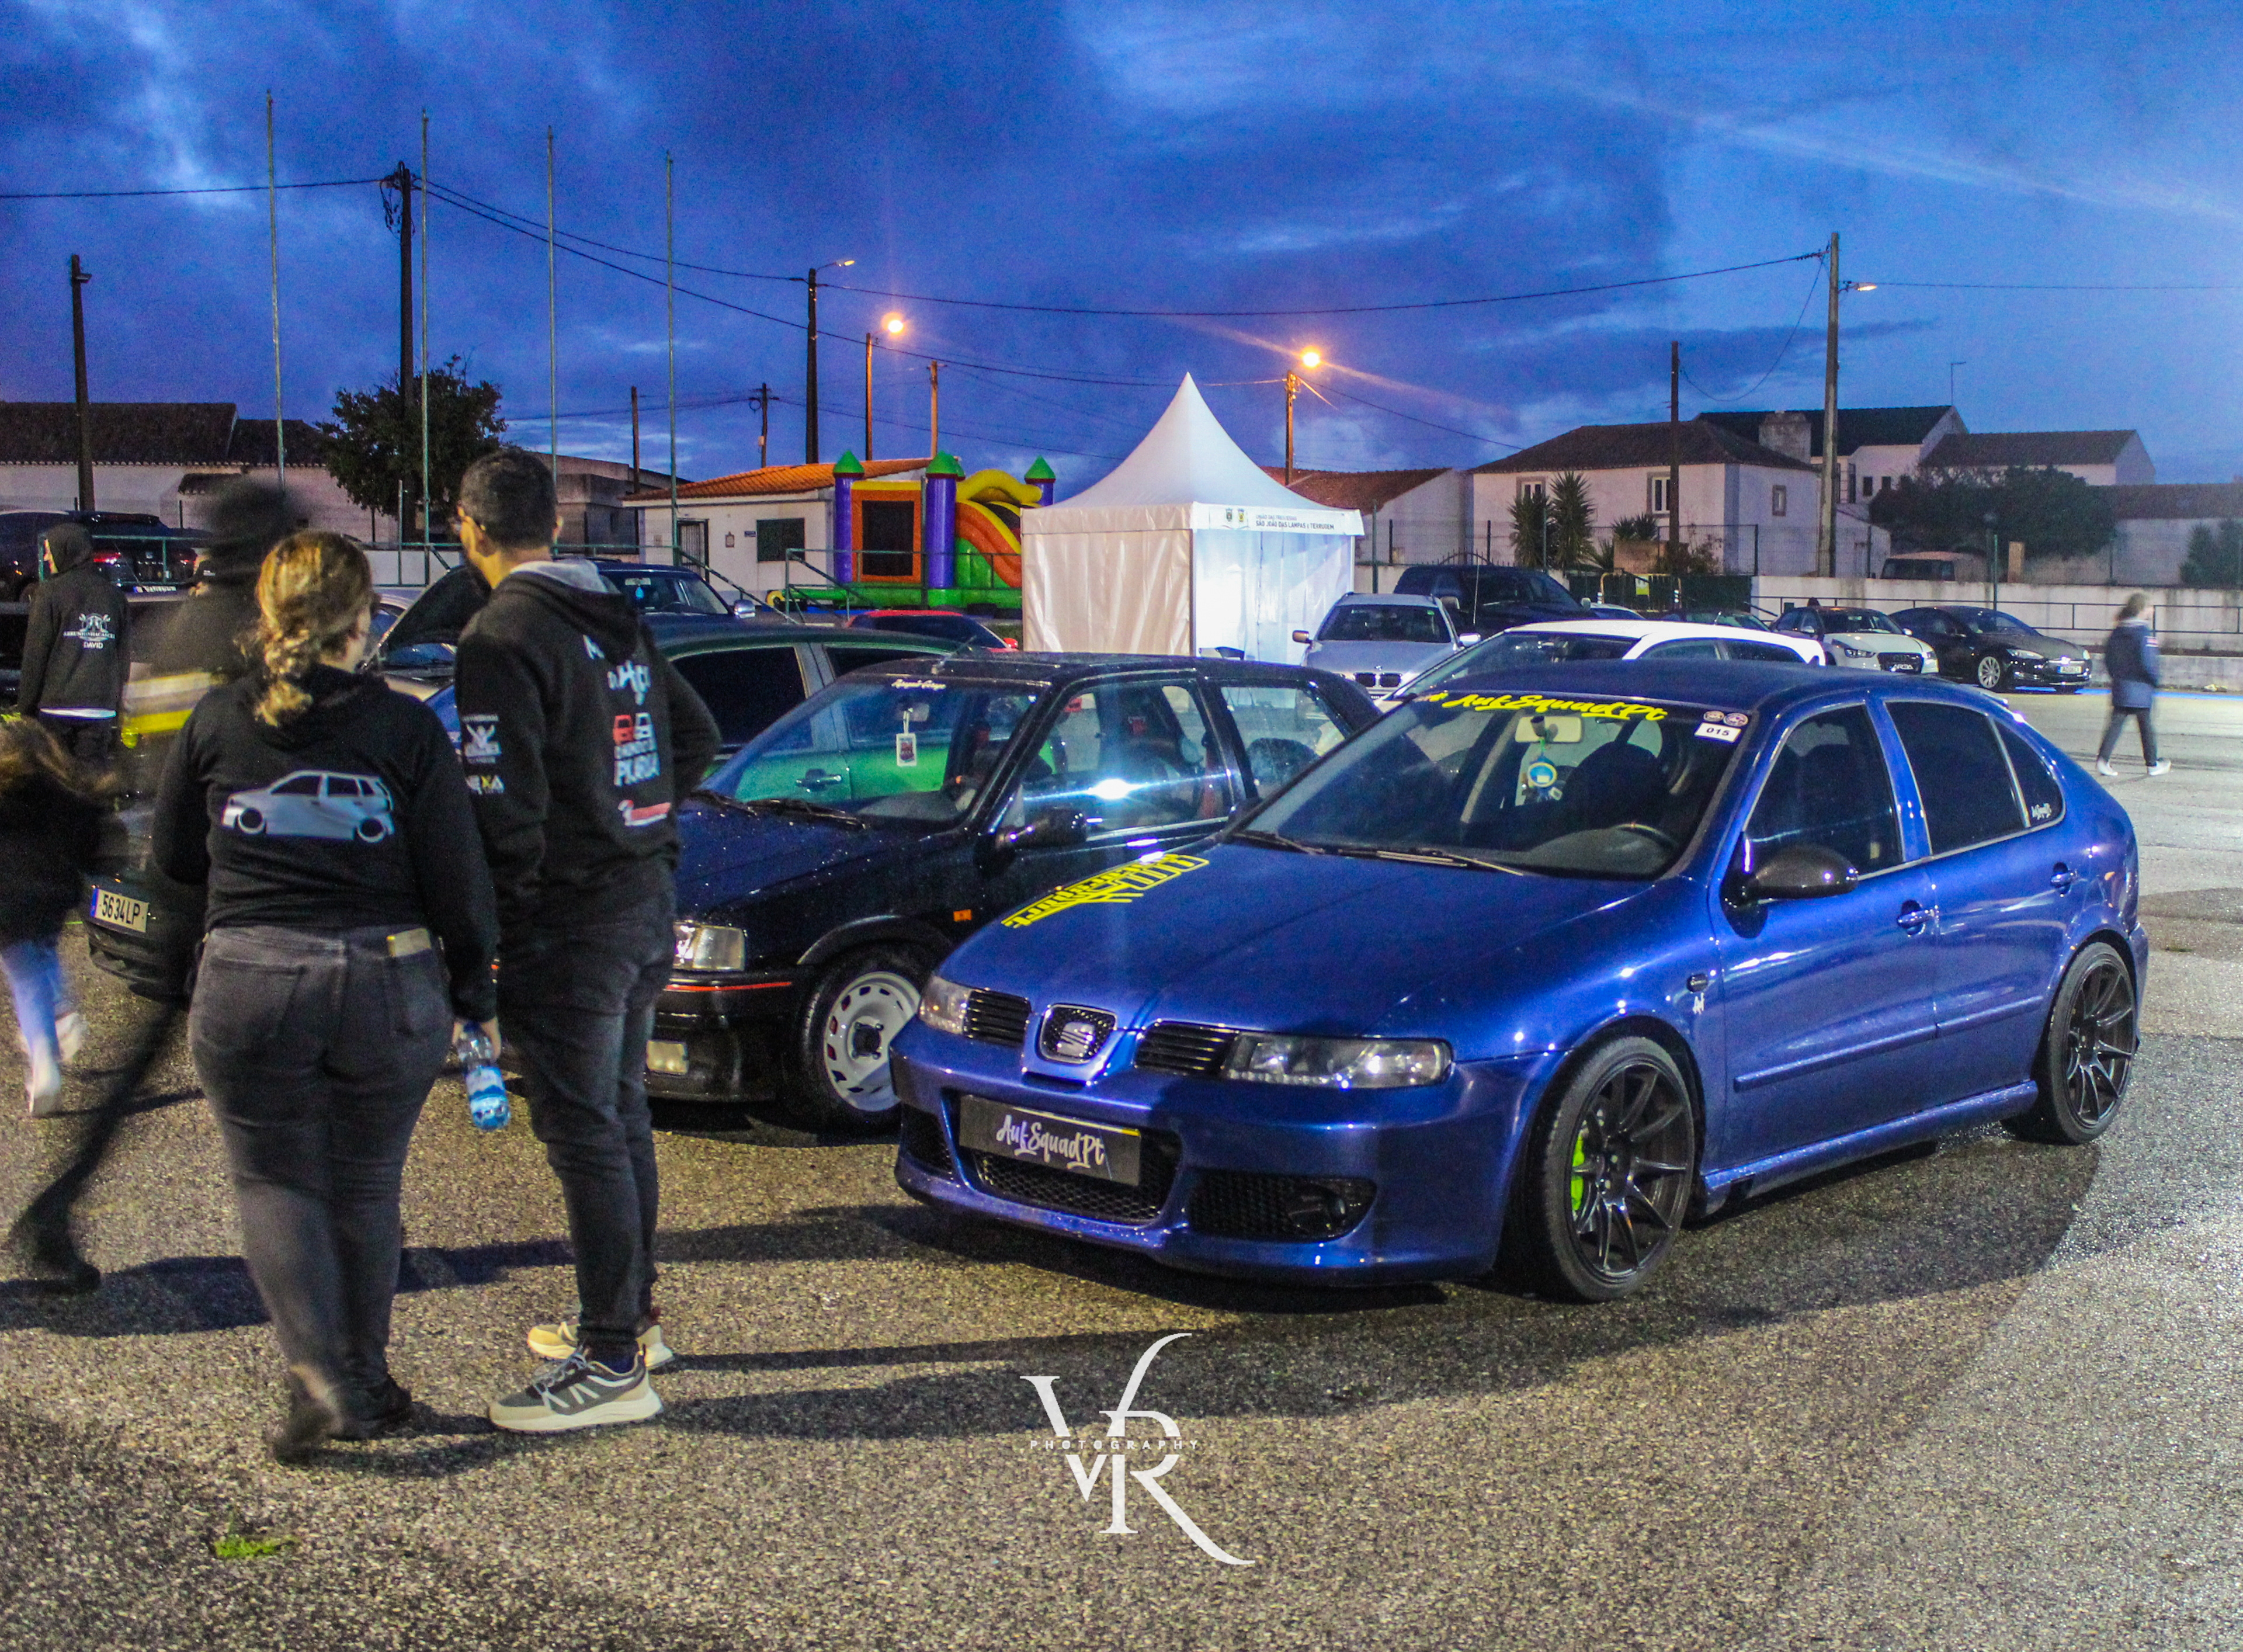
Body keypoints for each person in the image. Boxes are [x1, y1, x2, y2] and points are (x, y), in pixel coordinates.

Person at [151, 532, 498, 1463]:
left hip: (251, 975)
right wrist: (473, 988)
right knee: (366, 1183)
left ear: (269, 614)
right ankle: (365, 1384)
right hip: (386, 978)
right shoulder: (405, 729)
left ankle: (315, 1371)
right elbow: (458, 883)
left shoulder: (218, 720)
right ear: (363, 619)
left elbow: (173, 859)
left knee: (275, 1181)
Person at [451, 447, 717, 1434]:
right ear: (555, 525)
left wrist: (491, 929)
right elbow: (695, 737)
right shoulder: (615, 615)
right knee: (619, 1112)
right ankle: (631, 1321)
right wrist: (639, 824)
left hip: (570, 922)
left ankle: (612, 1359)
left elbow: (505, 811)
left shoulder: (502, 634)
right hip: (643, 899)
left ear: (469, 527)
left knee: (585, 1132)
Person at [6, 480, 299, 1296]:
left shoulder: (179, 632)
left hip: (184, 880)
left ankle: (57, 1211)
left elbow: (156, 768)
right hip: (258, 892)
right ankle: (319, 1239)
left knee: (142, 1064)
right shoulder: (272, 641)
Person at [0, 720, 107, 1116]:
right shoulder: (65, 792)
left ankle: (45, 1062)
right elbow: (92, 841)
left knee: (25, 976)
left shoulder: (5, 792)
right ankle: (60, 1012)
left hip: (8, 901)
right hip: (53, 899)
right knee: (43, 954)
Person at [15, 523, 129, 766]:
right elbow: (122, 658)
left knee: (58, 778)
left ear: (64, 550)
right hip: (100, 709)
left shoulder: (49, 594)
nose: (46, 558)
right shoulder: (115, 597)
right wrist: (117, 704)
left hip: (56, 709)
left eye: (49, 551)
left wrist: (25, 709)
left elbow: (36, 656)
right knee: (92, 778)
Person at [2097, 593, 2168, 777]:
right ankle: (2152, 764)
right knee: (2146, 728)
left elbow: (2109, 659)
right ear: (2142, 609)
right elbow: (2148, 662)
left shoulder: (2117, 632)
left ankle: (2103, 760)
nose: (2152, 611)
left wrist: (2117, 677)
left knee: (2115, 725)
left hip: (2121, 686)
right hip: (2141, 688)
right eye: (2150, 607)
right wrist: (2155, 680)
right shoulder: (2143, 633)